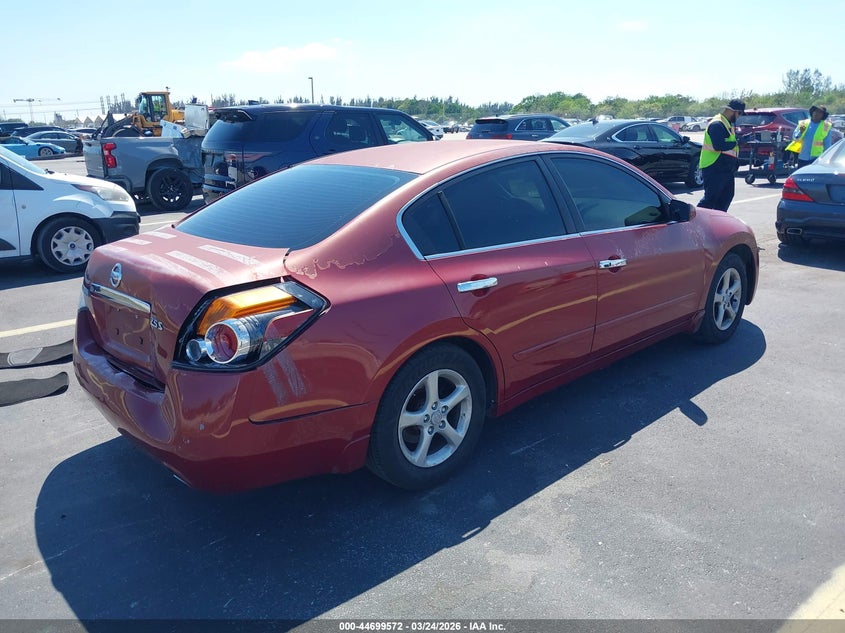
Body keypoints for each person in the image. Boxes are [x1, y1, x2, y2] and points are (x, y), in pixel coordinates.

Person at [698, 99, 745, 212]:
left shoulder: (726, 123)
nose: (740, 116)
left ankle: (717, 222)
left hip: (724, 169)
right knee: (710, 199)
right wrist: (736, 142)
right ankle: (697, 221)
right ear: (732, 111)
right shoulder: (717, 124)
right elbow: (718, 145)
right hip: (714, 166)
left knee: (726, 197)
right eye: (740, 113)